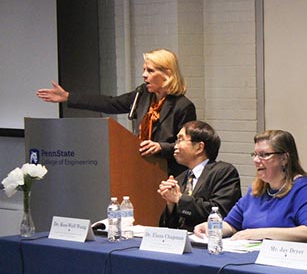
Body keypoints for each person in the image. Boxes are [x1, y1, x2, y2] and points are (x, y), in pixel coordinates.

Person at [36, 48, 196, 177]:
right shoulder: (142, 95)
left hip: (168, 174)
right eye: (144, 70)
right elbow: (110, 103)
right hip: (141, 168)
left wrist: (160, 147)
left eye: (150, 71)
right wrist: (68, 97)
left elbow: (187, 145)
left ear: (167, 74)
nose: (144, 75)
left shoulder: (183, 106)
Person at [193, 130, 307, 245]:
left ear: (284, 159)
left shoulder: (304, 189)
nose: (256, 160)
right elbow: (232, 224)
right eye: (255, 154)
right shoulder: (256, 189)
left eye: (264, 155)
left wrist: (260, 233)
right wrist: (211, 227)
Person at [158, 120, 241, 232]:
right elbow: (167, 227)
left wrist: (179, 199)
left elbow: (221, 212)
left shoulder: (223, 172)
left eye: (180, 140)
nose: (175, 145)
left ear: (199, 147)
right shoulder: (180, 179)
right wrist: (170, 203)